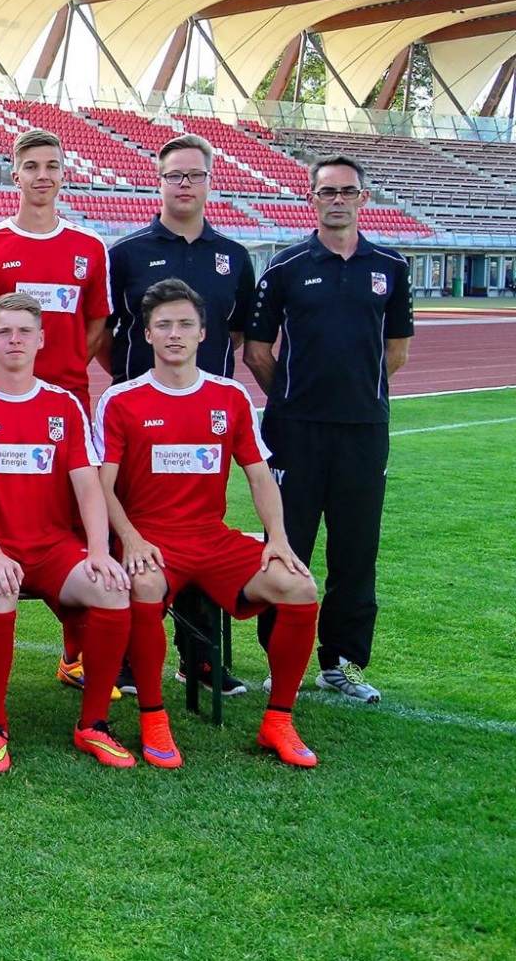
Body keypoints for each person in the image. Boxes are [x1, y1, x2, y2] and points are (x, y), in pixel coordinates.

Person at [97, 279, 321, 768]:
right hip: (150, 539)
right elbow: (102, 486)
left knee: (300, 587)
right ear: (148, 335)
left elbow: (260, 476)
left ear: (204, 333)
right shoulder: (121, 400)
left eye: (185, 324)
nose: (174, 334)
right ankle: (154, 717)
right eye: (163, 325)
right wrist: (130, 538)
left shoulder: (231, 396)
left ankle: (278, 720)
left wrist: (279, 540)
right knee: (146, 585)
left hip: (212, 538)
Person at [245, 154, 412, 704]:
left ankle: (341, 663)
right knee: (286, 544)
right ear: (311, 199)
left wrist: (356, 395)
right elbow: (257, 351)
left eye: (347, 191)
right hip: (295, 432)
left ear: (363, 198)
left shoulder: (391, 266)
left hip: (364, 431)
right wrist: (293, 400)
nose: (336, 200)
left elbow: (396, 352)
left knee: (356, 550)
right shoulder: (286, 267)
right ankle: (280, 658)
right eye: (326, 192)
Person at [0, 293, 131, 772]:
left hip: (52, 548)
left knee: (111, 589)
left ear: (41, 339)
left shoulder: (63, 404)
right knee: (1, 590)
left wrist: (97, 551)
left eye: (24, 332)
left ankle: (94, 723)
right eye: (3, 332)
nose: (14, 340)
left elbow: (88, 486)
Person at [105, 133, 257, 697]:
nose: (184, 184)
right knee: (136, 530)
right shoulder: (126, 252)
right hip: (138, 417)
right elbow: (109, 335)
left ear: (210, 180)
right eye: (175, 175)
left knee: (200, 528)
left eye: (194, 175)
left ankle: (200, 661)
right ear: (159, 180)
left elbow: (236, 333)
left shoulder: (234, 257)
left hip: (202, 421)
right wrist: (135, 379)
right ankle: (125, 657)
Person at [0, 129, 112, 693]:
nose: (42, 175)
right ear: (15, 175)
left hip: (65, 404)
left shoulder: (88, 246)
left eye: (52, 165)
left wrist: (63, 367)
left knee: (68, 524)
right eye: (31, 166)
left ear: (63, 173)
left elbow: (96, 324)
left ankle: (74, 655)